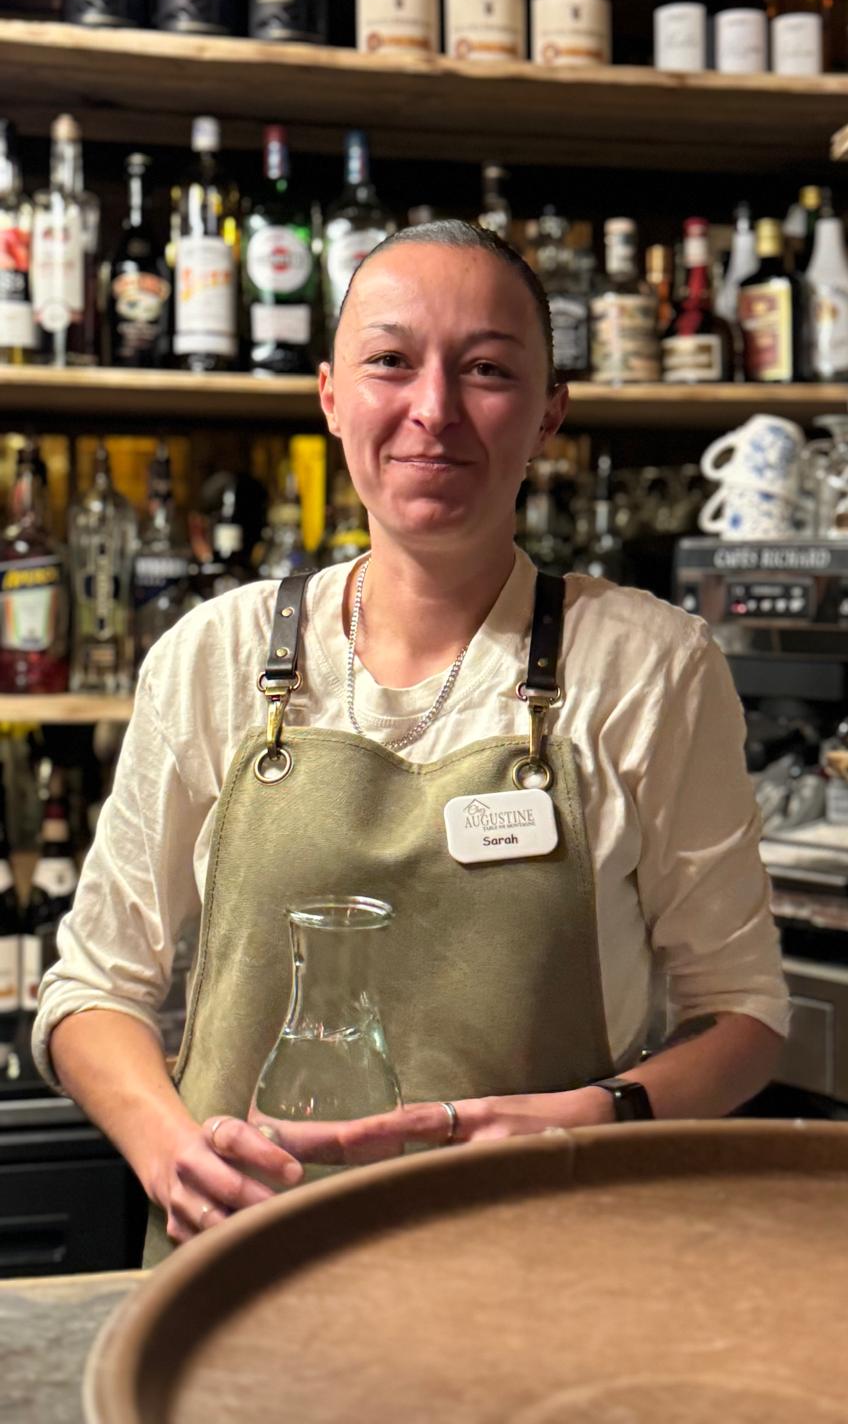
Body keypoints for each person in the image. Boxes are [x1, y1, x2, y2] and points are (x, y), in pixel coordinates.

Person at [36, 221, 789, 1260]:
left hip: (542, 1270)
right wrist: (172, 1154)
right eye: (390, 361)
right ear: (331, 396)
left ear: (549, 413)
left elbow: (742, 1015)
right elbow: (90, 989)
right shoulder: (213, 656)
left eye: (486, 369)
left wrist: (599, 1118)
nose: (433, 409)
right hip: (242, 1273)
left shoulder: (652, 669)